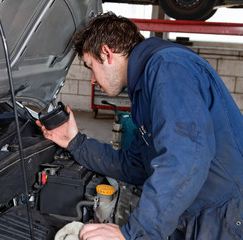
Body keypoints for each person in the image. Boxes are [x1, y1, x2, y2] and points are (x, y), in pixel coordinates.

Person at [37, 12, 243, 240]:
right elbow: (135, 166)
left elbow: (185, 159)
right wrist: (76, 143)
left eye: (90, 66)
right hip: (195, 212)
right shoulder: (144, 89)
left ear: (106, 53)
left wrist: (134, 233)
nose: (93, 80)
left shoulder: (168, 68)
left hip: (224, 214)